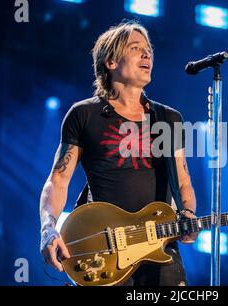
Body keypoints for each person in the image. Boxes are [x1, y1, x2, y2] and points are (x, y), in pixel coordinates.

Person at [39, 20, 197, 286]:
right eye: (136, 48)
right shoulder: (84, 114)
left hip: (160, 246)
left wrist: (189, 215)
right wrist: (48, 228)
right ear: (111, 62)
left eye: (148, 49)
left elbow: (183, 182)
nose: (147, 54)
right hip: (104, 249)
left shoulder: (169, 119)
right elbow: (58, 181)